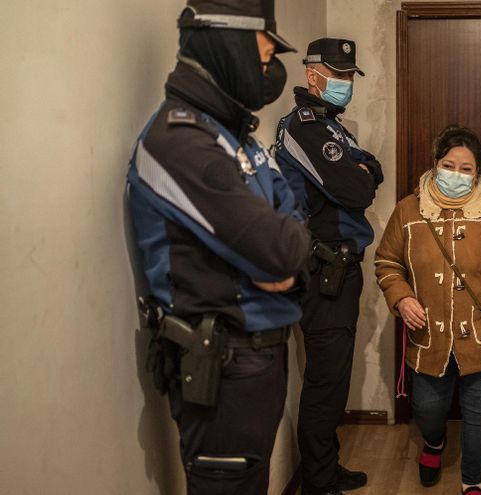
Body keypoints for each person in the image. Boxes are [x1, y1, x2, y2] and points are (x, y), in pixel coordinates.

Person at [126, 1, 310, 494]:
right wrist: (285, 252)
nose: (270, 69)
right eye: (266, 53)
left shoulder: (236, 139)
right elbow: (282, 247)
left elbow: (295, 220)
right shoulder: (180, 143)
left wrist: (287, 254)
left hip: (257, 365)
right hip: (222, 369)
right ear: (228, 40)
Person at [374, 125, 481, 495]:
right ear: (435, 165)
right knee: (427, 409)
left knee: (480, 414)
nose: (457, 174)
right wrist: (402, 297)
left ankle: (472, 480)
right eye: (450, 165)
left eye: (467, 169)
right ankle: (434, 443)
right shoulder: (408, 210)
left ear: (478, 172)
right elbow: (386, 262)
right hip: (428, 334)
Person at [273, 38, 382, 495]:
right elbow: (359, 191)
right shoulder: (304, 127)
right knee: (325, 382)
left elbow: (372, 169)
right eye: (336, 76)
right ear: (311, 75)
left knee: (332, 379)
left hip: (338, 267)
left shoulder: (331, 127)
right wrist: (361, 174)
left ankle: (326, 467)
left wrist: (362, 169)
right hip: (324, 271)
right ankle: (319, 481)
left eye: (347, 77)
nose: (343, 84)